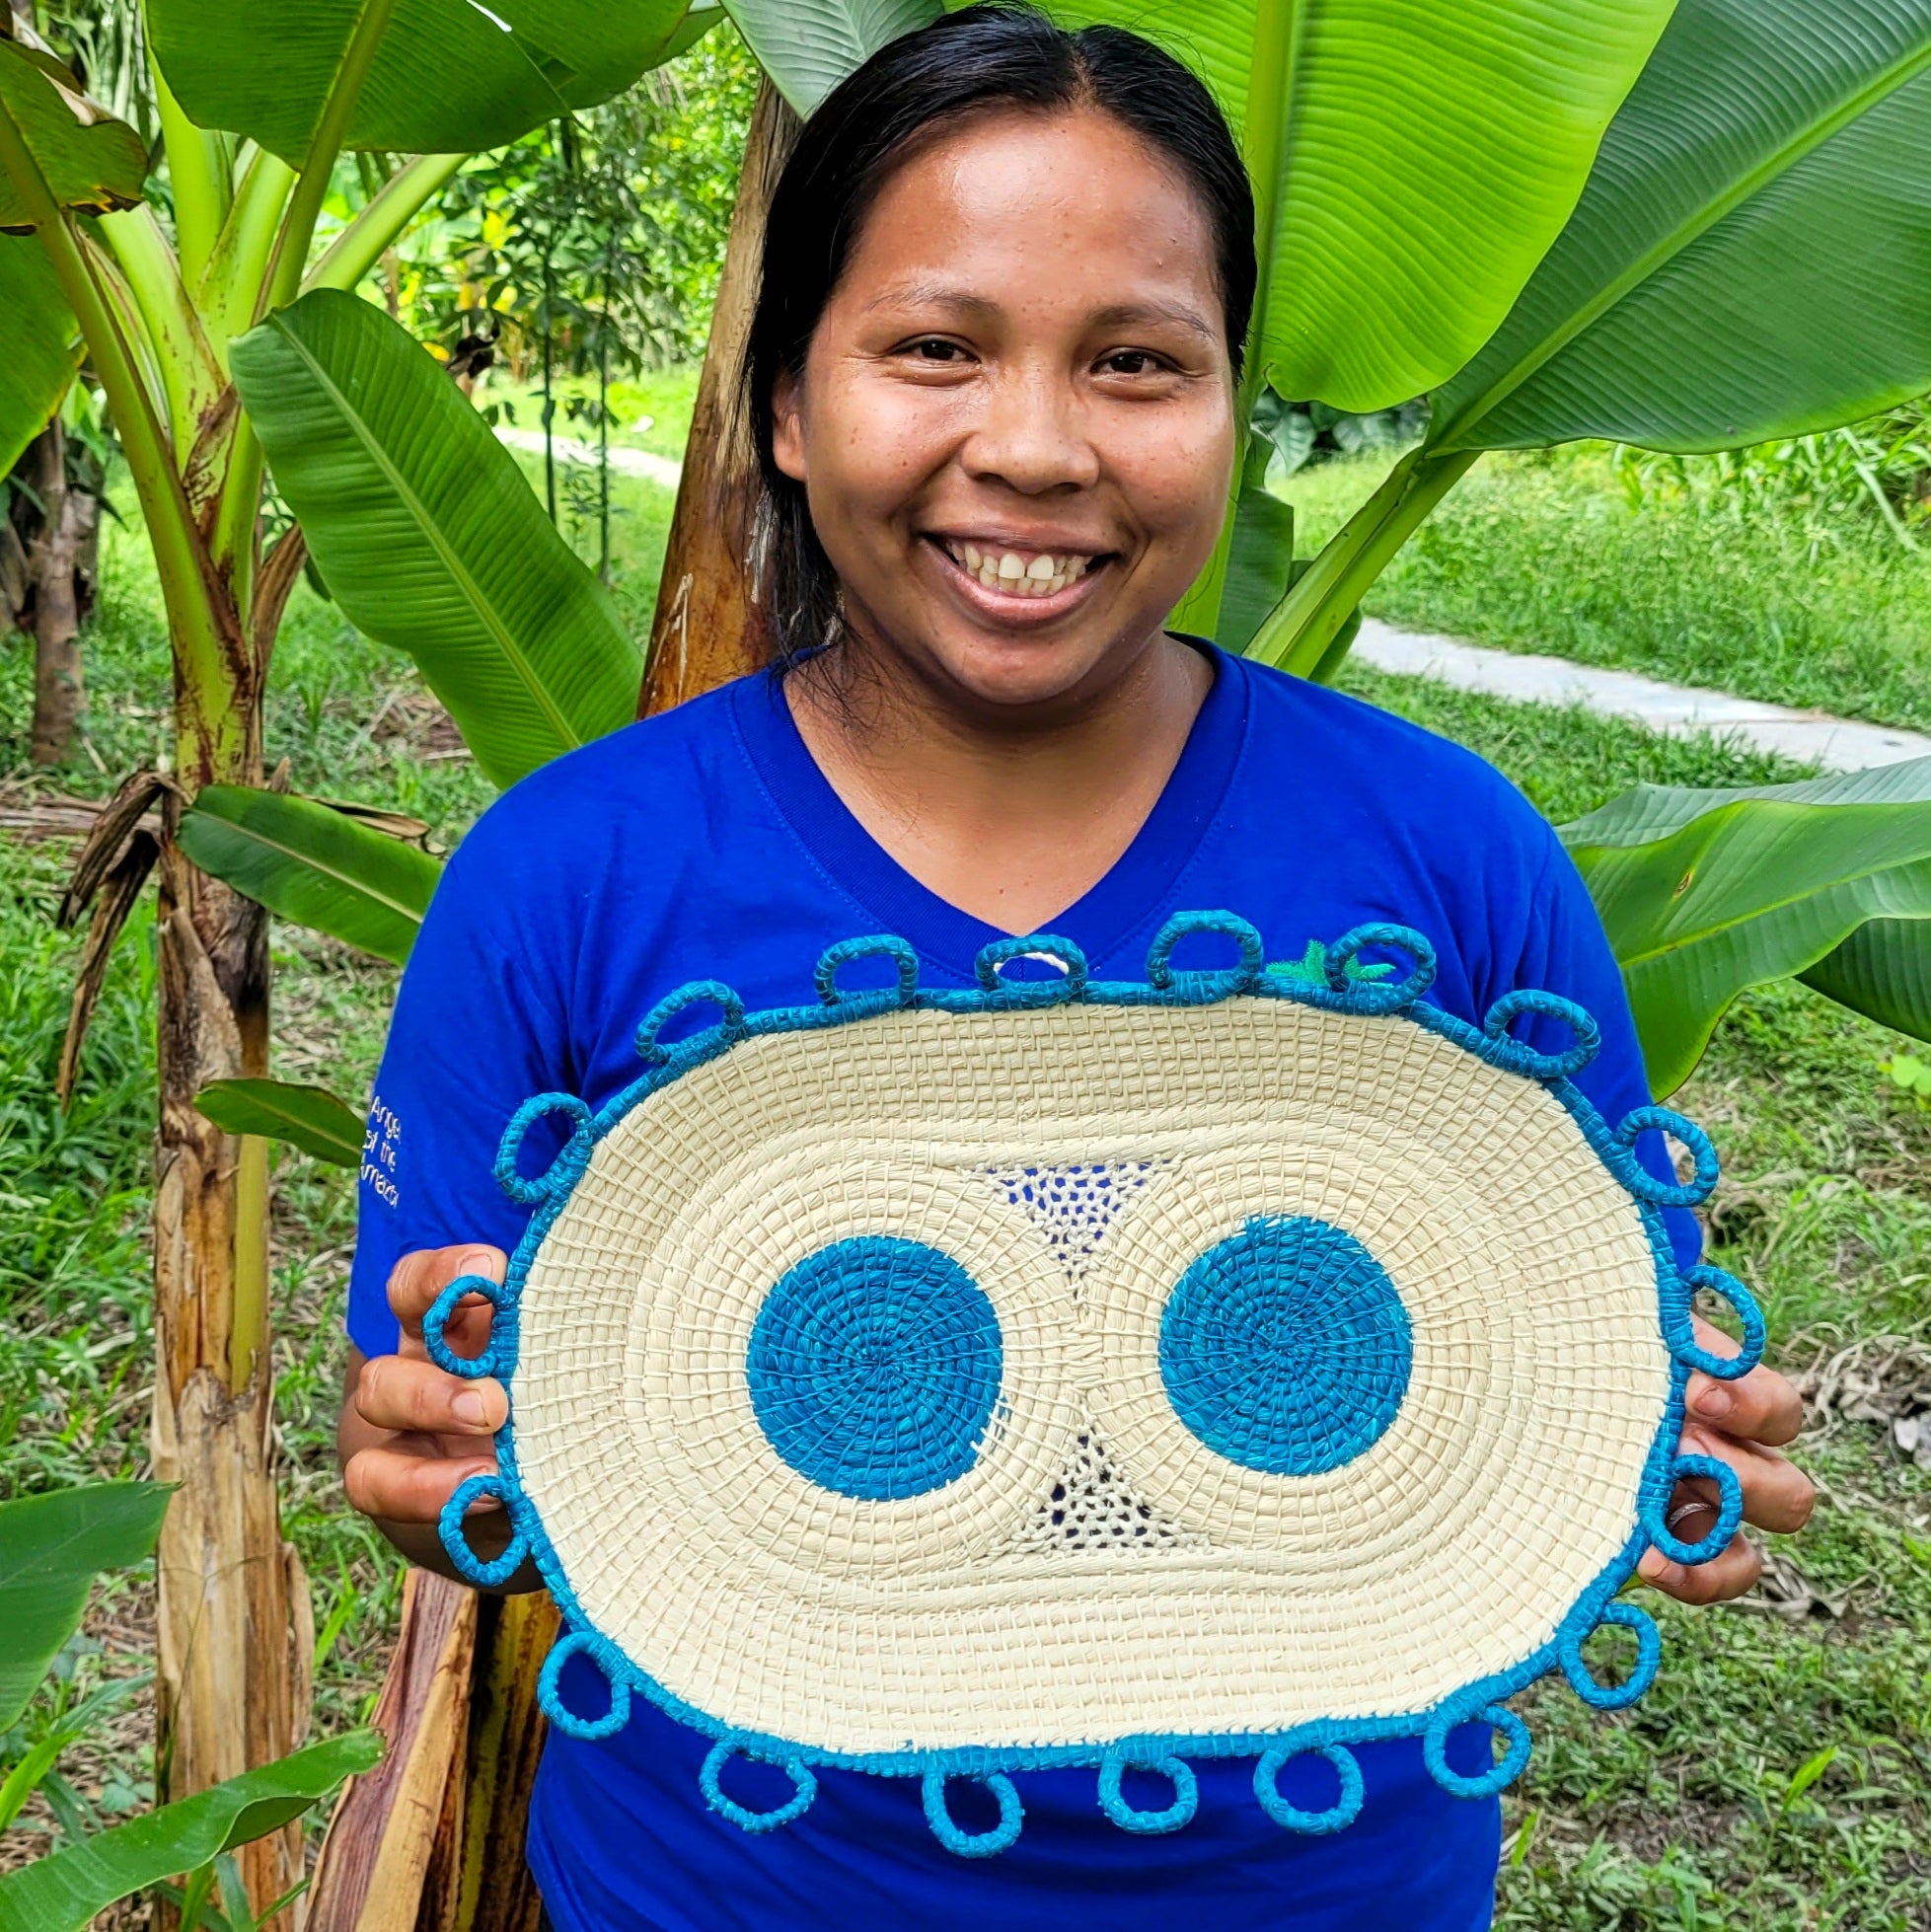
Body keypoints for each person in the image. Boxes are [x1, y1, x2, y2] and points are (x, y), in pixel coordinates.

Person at [334, 9, 1815, 1928]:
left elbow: (1582, 1359)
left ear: (1225, 401)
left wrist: (1646, 1452)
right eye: (935, 348)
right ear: (783, 402)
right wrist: (435, 1457)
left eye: (1135, 362)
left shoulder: (1451, 862)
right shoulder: (565, 884)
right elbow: (464, 1426)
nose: (1031, 447)